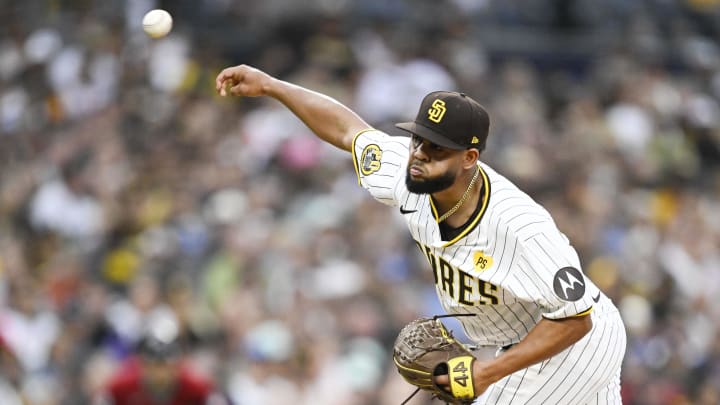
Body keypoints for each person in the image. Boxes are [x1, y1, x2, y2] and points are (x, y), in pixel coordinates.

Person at [215, 64, 627, 404]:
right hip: (524, 339)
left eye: (436, 149)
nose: (419, 156)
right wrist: (271, 85)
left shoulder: (519, 226)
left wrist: (488, 371)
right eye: (418, 140)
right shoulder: (405, 171)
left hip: (575, 340)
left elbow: (576, 319)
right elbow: (347, 131)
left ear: (469, 158)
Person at [96, 335, 227, 405]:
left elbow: (215, 399)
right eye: (154, 366)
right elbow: (103, 398)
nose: (160, 374)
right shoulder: (123, 386)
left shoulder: (194, 387)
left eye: (165, 367)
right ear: (143, 366)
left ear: (176, 367)